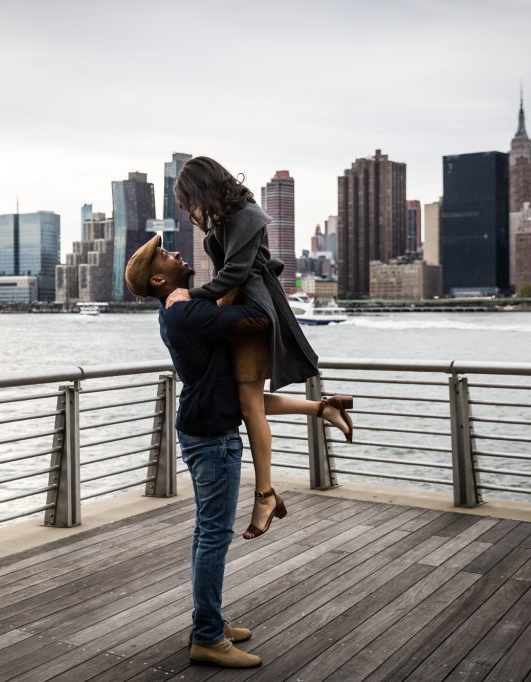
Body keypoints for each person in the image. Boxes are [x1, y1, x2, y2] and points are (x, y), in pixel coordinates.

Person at [168, 156, 354, 539]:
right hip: (239, 310)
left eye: (190, 201)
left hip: (253, 312)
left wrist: (192, 296)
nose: (192, 212)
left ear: (203, 188)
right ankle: (323, 408)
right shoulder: (227, 218)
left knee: (250, 407)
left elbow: (235, 274)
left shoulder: (245, 213)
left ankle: (265, 494)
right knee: (243, 400)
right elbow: (237, 272)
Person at [125, 233, 263, 667]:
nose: (177, 253)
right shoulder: (186, 313)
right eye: (166, 255)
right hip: (213, 435)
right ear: (159, 279)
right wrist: (248, 274)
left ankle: (210, 620)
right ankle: (206, 636)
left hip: (205, 429)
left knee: (207, 533)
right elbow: (256, 315)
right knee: (215, 536)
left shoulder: (180, 310)